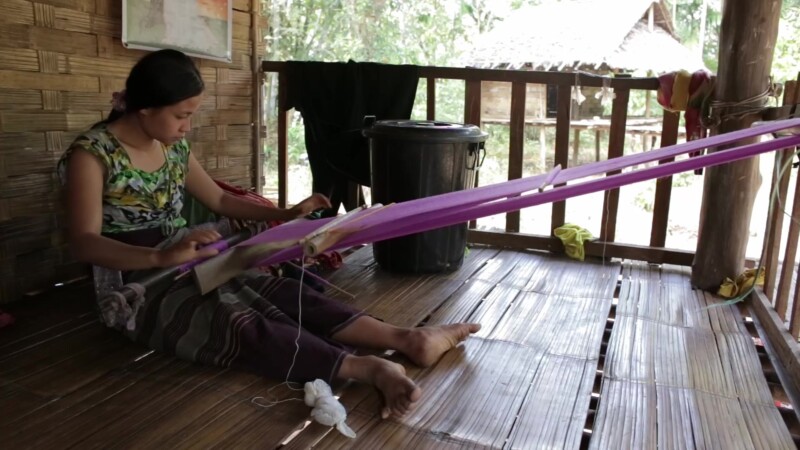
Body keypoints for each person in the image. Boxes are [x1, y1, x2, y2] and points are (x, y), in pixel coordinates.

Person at [56, 49, 480, 419]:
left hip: (186, 254)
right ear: (145, 108)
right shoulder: (92, 155)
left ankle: (406, 338)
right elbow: (84, 241)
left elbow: (219, 202)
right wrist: (160, 259)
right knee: (233, 320)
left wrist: (284, 212)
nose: (187, 127)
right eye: (181, 115)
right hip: (134, 279)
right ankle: (367, 368)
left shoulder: (172, 147)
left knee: (273, 289)